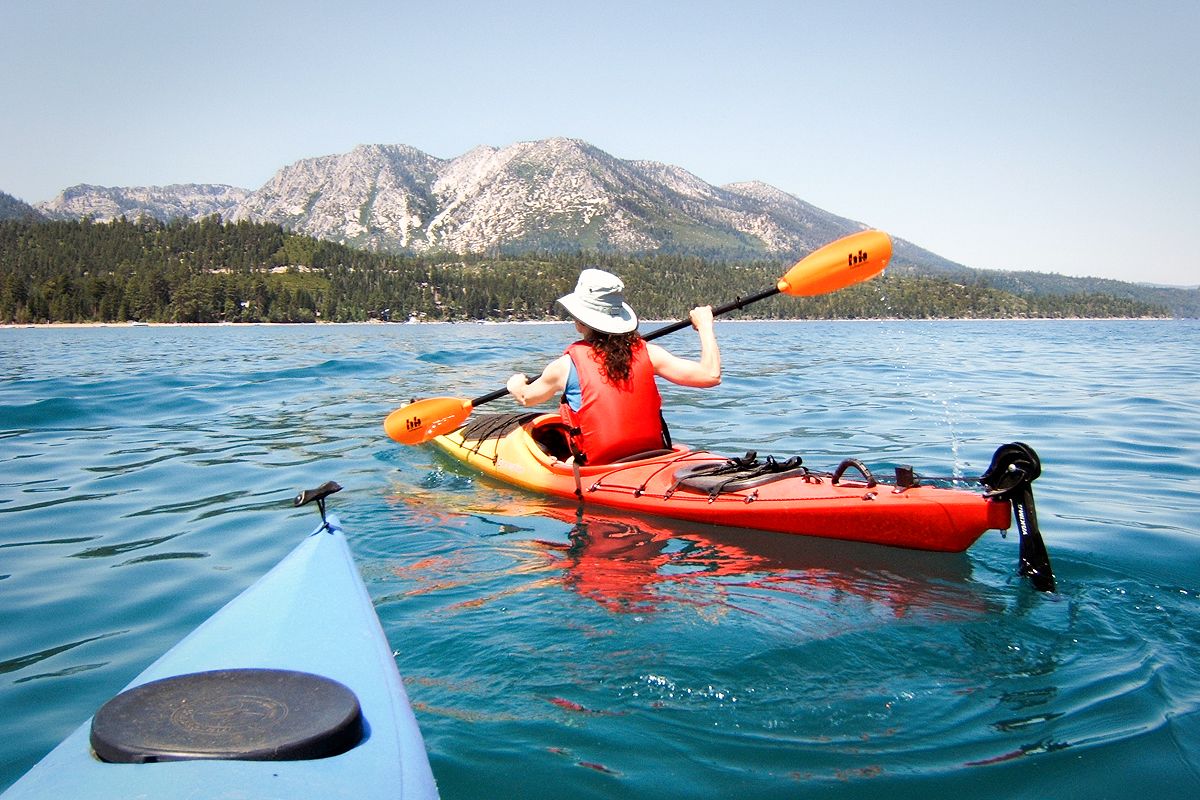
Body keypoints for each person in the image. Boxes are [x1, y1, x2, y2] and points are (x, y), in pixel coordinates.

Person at [506, 268, 721, 464]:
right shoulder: (649, 353)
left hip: (600, 466)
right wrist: (705, 326)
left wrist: (516, 383)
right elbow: (710, 375)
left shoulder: (564, 366)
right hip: (652, 455)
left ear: (581, 323)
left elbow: (527, 397)